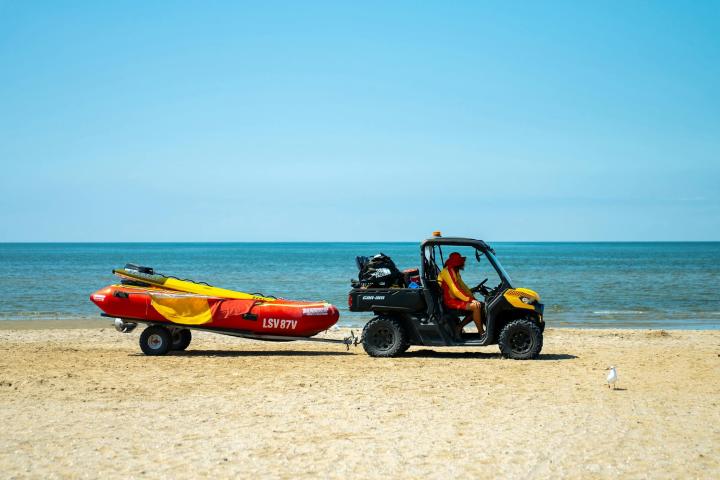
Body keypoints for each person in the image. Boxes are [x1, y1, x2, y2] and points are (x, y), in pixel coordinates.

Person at [437, 252, 484, 335]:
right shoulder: (448, 272)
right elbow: (456, 290)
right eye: (462, 262)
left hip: (455, 298)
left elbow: (463, 286)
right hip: (450, 301)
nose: (463, 264)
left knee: (480, 305)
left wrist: (472, 297)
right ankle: (481, 332)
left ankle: (459, 327)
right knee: (476, 307)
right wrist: (470, 299)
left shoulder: (455, 271)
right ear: (458, 263)